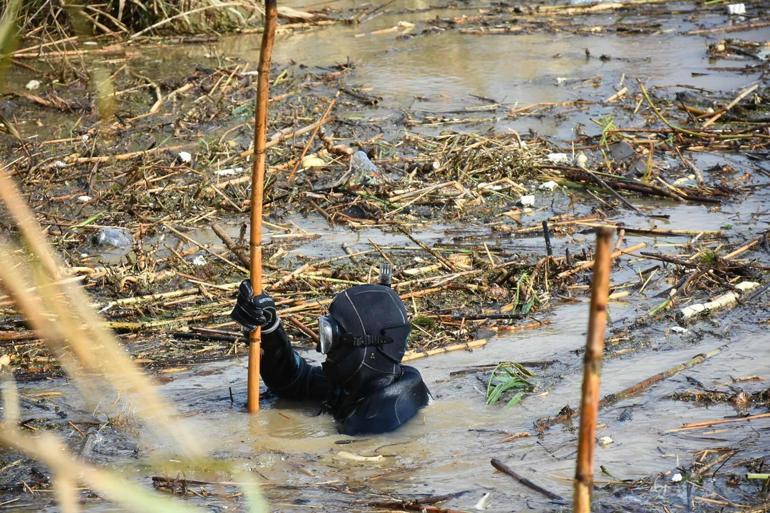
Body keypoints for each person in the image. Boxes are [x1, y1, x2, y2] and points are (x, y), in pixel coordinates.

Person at [230, 265, 431, 435]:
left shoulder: (380, 417)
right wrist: (269, 330)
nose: (322, 348)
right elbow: (294, 382)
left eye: (330, 338)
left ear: (366, 346)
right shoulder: (364, 385)